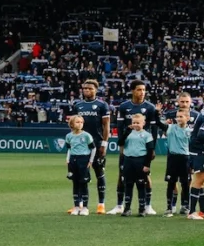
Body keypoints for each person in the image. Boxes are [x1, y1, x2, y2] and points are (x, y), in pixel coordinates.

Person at [115, 81, 161, 216]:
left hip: (143, 150)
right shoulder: (124, 106)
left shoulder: (150, 107)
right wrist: (121, 145)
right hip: (128, 147)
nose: (142, 93)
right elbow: (120, 127)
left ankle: (147, 206)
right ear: (133, 91)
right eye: (139, 90)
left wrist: (152, 148)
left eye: (144, 90)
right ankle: (120, 205)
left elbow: (154, 129)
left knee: (146, 177)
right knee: (122, 176)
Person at [70, 80, 112, 214]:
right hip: (80, 146)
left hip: (97, 144)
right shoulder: (78, 105)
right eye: (85, 88)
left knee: (99, 173)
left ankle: (101, 204)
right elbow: (73, 124)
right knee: (79, 175)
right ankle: (79, 204)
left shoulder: (102, 105)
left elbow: (106, 126)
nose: (87, 90)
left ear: (96, 90)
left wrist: (104, 144)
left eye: (90, 88)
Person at [116, 114, 154, 216]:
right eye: (134, 122)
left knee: (141, 185)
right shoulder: (128, 133)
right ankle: (127, 208)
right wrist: (126, 132)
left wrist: (147, 165)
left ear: (143, 123)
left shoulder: (147, 135)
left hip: (140, 161)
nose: (135, 124)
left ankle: (142, 209)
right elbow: (120, 143)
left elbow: (150, 151)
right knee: (128, 185)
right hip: (128, 160)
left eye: (138, 123)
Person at [63, 115, 97, 215]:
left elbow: (93, 148)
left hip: (84, 159)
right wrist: (68, 159)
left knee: (83, 183)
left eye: (81, 122)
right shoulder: (69, 136)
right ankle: (77, 206)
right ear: (72, 124)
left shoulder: (86, 135)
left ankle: (85, 207)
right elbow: (69, 148)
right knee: (75, 183)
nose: (80, 124)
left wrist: (91, 161)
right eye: (77, 122)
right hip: (73, 160)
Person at [164, 108, 193, 217]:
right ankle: (169, 207)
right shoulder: (171, 128)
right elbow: (159, 124)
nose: (178, 118)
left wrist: (192, 164)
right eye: (177, 116)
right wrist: (157, 113)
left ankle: (185, 206)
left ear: (187, 118)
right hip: (173, 158)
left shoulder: (190, 131)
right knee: (171, 183)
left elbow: (192, 147)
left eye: (181, 116)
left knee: (185, 184)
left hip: (185, 158)